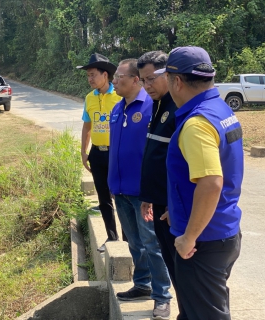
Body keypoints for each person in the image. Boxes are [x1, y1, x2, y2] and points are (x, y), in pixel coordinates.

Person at [156, 46, 243, 320]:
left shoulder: (197, 124)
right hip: (222, 231)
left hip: (203, 242)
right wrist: (180, 208)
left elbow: (211, 183)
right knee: (197, 310)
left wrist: (188, 236)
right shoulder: (220, 109)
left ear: (177, 82)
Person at [108, 59, 172, 320]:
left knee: (152, 243)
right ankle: (142, 283)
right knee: (133, 240)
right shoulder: (116, 109)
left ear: (136, 80)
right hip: (120, 188)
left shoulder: (151, 108)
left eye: (118, 77)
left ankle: (162, 296)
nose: (114, 81)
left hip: (143, 192)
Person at [137, 51, 186, 319]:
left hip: (173, 208)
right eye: (143, 80)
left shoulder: (178, 109)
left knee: (183, 269)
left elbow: (186, 167)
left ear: (168, 74)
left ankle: (184, 310)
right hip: (158, 201)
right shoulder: (157, 105)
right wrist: (148, 196)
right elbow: (155, 155)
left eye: (151, 79)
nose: (147, 86)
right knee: (171, 261)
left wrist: (174, 204)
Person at [76, 53, 122, 252]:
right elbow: (87, 126)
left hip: (117, 154)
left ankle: (130, 240)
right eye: (88, 76)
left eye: (93, 75)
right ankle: (112, 237)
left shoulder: (120, 95)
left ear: (106, 75)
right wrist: (84, 152)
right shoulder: (89, 98)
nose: (90, 79)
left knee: (122, 196)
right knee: (103, 198)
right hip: (97, 153)